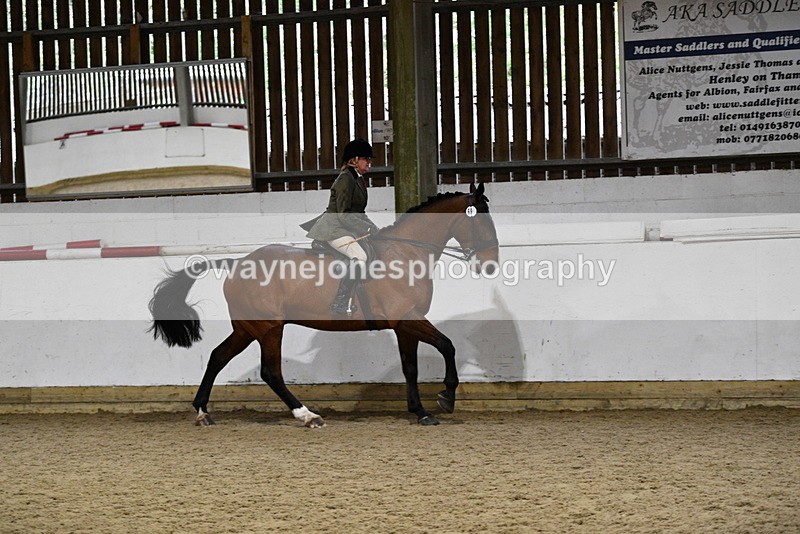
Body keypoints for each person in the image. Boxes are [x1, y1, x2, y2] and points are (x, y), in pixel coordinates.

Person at [304, 138, 379, 315]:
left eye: (370, 160)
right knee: (359, 256)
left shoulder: (357, 179)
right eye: (366, 159)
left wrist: (374, 228)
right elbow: (343, 215)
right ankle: (340, 302)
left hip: (344, 228)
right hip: (334, 229)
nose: (369, 163)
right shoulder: (346, 179)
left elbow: (358, 212)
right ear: (354, 160)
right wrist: (366, 229)